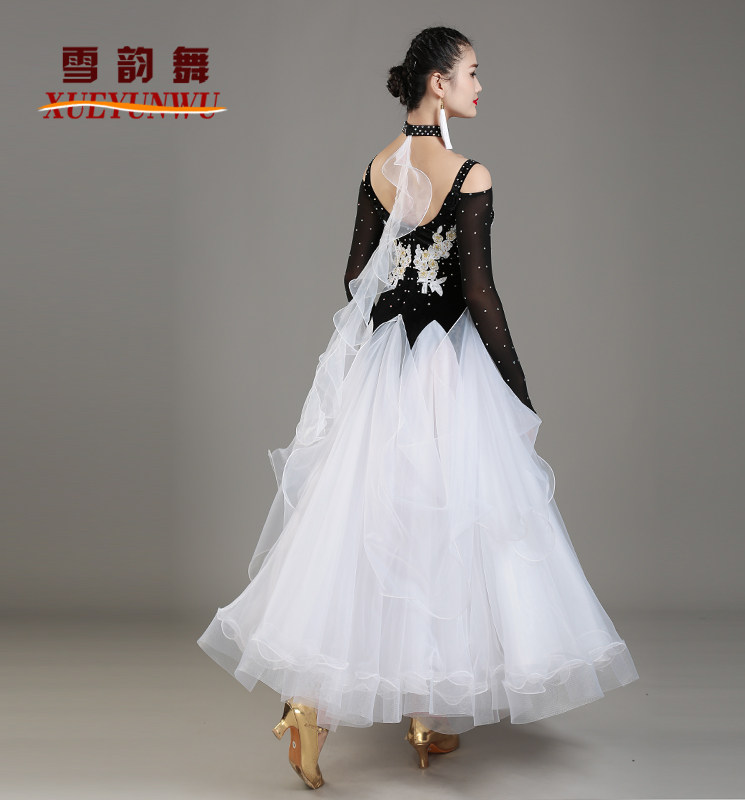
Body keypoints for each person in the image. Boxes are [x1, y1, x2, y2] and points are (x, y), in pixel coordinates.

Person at [197, 25, 639, 790]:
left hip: (388, 369)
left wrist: (394, 317)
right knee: (444, 530)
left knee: (367, 530)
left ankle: (325, 707)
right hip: (448, 372)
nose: (479, 86)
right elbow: (479, 292)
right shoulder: (470, 174)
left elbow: (353, 274)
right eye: (471, 73)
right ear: (438, 83)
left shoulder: (378, 168)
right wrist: (514, 383)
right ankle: (426, 713)